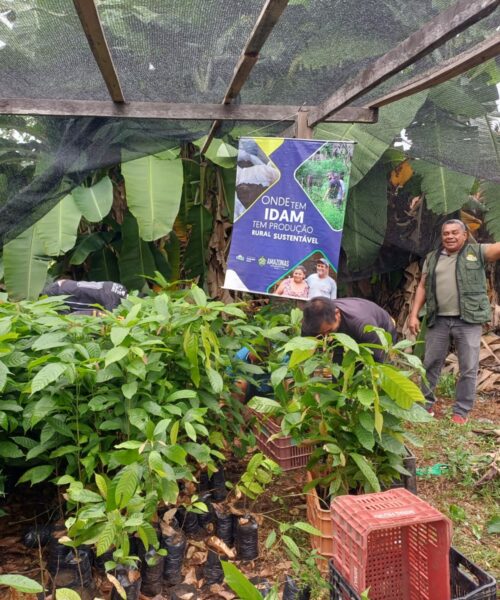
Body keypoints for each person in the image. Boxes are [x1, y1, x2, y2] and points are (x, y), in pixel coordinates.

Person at [408, 219, 500, 424]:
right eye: (446, 233)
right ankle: (425, 405)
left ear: (465, 235)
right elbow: (422, 286)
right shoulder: (432, 258)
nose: (449, 236)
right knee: (431, 363)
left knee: (468, 366)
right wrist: (414, 314)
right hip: (438, 319)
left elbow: (497, 249)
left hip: (468, 320)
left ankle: (461, 412)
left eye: (454, 233)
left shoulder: (476, 252)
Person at [302, 296, 397, 364]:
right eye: (321, 334)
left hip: (382, 330)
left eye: (329, 331)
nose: (326, 337)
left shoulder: (362, 324)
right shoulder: (311, 321)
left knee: (379, 366)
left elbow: (379, 359)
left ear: (337, 314)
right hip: (346, 326)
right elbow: (302, 352)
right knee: (339, 365)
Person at [43, 279, 128, 314]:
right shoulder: (112, 302)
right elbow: (109, 320)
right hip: (58, 293)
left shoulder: (121, 288)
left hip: (64, 284)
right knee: (64, 324)